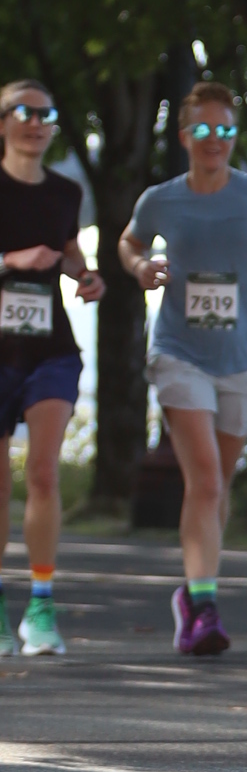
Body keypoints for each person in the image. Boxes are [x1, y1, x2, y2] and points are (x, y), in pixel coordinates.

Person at [118, 83, 247, 657]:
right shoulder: (162, 199)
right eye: (203, 129)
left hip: (244, 360)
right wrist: (139, 265)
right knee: (204, 481)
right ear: (185, 136)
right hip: (180, 353)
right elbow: (129, 241)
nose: (215, 140)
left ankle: (193, 592)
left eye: (225, 130)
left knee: (216, 486)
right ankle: (204, 608)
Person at [0, 79, 104, 659]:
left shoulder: (66, 191)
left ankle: (41, 606)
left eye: (46, 114)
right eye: (24, 112)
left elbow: (68, 251)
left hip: (50, 349)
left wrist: (84, 276)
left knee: (42, 472)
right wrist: (9, 259)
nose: (36, 123)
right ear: (3, 123)